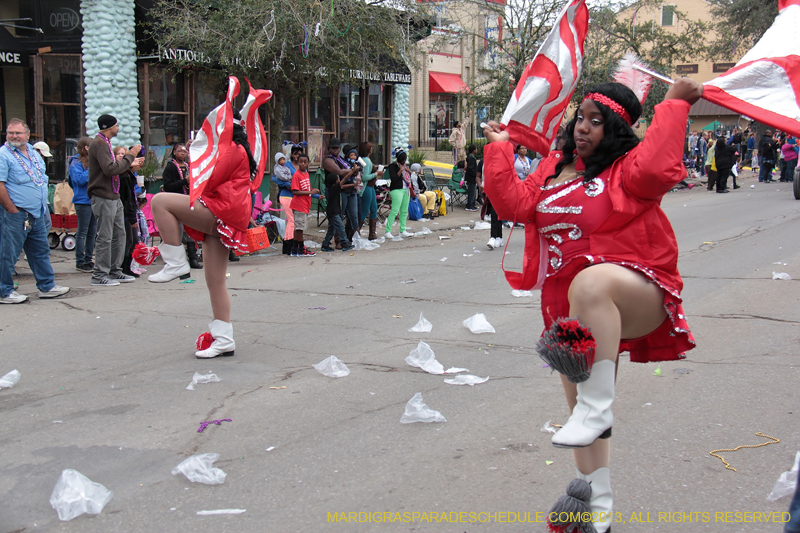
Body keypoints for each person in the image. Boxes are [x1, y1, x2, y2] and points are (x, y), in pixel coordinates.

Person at [483, 78, 701, 533]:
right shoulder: (553, 168)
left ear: (616, 130)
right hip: (571, 311)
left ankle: (597, 407)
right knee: (581, 416)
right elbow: (512, 205)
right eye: (579, 118)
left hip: (637, 290)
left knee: (591, 282)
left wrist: (676, 104)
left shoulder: (628, 170)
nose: (582, 128)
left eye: (595, 122)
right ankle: (595, 506)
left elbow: (661, 168)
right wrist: (501, 149)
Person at [149, 108, 259, 358]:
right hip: (225, 211)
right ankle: (224, 340)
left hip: (222, 209)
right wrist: (196, 155)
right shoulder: (232, 149)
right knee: (215, 282)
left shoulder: (233, 149)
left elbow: (206, 179)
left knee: (159, 201)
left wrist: (195, 157)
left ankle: (176, 262)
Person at [0, 118, 70, 303]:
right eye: (11, 133)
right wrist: (11, 209)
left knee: (40, 251)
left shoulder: (33, 152)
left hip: (37, 212)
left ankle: (47, 286)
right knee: (8, 253)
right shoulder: (3, 155)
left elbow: (39, 179)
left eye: (18, 133)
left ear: (27, 135)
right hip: (16, 213)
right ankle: (4, 291)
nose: (14, 136)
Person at [88, 114, 144, 286]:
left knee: (120, 234)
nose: (118, 128)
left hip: (114, 195)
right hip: (103, 196)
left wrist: (130, 165)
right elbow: (110, 170)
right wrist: (129, 156)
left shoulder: (105, 143)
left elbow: (114, 170)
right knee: (105, 237)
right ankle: (99, 275)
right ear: (109, 127)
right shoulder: (98, 143)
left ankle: (115, 270)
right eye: (117, 125)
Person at [160, 142, 202, 269]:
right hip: (175, 202)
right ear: (174, 152)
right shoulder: (170, 167)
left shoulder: (188, 167)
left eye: (185, 152)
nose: (182, 154)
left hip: (188, 201)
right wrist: (184, 181)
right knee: (176, 231)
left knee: (190, 230)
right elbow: (167, 186)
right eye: (180, 151)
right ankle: (175, 260)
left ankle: (193, 258)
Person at [321, 138, 357, 247]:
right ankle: (340, 241)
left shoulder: (341, 159)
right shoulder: (328, 160)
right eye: (333, 148)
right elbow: (340, 172)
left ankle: (330, 242)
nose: (335, 150)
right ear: (329, 149)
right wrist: (352, 170)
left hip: (348, 189)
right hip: (336, 191)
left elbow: (350, 172)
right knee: (338, 218)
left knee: (352, 215)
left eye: (337, 147)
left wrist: (353, 172)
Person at [68, 137, 96, 272]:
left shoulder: (92, 161)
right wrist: (91, 168)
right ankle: (80, 261)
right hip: (82, 201)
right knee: (82, 232)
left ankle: (89, 259)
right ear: (86, 147)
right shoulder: (76, 162)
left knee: (92, 233)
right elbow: (78, 180)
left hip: (94, 200)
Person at [289, 153, 318, 257]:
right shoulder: (296, 175)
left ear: (308, 163)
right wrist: (310, 192)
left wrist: (314, 192)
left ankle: (295, 249)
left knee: (299, 227)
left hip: (305, 204)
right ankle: (301, 249)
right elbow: (295, 191)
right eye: (300, 162)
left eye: (305, 162)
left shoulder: (306, 174)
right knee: (299, 228)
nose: (302, 164)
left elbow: (306, 189)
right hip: (299, 205)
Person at [384, 149, 414, 240]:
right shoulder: (393, 166)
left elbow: (409, 179)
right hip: (397, 189)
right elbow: (393, 179)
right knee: (395, 210)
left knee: (404, 211)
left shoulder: (405, 166)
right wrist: (400, 171)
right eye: (403, 159)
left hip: (406, 189)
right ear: (398, 159)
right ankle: (387, 231)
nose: (404, 161)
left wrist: (409, 172)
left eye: (405, 159)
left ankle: (403, 230)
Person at [357, 141, 383, 240]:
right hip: (366, 187)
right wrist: (376, 174)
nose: (372, 149)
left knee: (373, 208)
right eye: (370, 147)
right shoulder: (366, 161)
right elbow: (364, 177)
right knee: (365, 210)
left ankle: (372, 233)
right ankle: (357, 232)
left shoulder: (365, 159)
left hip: (370, 187)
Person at [271, 152, 295, 255]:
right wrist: (287, 183)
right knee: (291, 220)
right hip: (286, 195)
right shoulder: (279, 169)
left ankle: (288, 243)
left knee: (291, 220)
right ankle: (288, 242)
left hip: (291, 195)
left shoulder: (288, 167)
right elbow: (275, 178)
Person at [477, 156, 503, 250]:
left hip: (499, 189)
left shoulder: (500, 160)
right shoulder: (483, 162)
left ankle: (493, 237)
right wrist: (480, 184)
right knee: (494, 213)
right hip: (487, 190)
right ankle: (498, 236)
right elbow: (478, 175)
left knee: (495, 213)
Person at [341, 147, 362, 241]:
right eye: (351, 155)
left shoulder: (358, 163)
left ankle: (356, 237)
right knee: (340, 215)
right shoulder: (344, 163)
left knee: (354, 215)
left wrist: (356, 169)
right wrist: (353, 170)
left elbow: (361, 171)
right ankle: (340, 239)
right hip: (345, 190)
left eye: (354, 155)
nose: (353, 156)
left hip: (353, 190)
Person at [465, 145, 478, 212]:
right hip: (471, 178)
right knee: (471, 191)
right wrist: (475, 175)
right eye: (476, 149)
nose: (477, 150)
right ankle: (470, 205)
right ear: (473, 150)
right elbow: (471, 169)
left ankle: (472, 204)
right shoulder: (471, 159)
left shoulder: (471, 158)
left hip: (472, 178)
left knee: (473, 191)